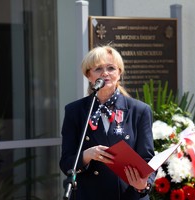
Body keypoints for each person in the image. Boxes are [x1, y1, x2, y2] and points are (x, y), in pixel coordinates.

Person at [59, 45, 156, 200]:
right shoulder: (75, 111)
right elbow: (66, 162)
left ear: (119, 73)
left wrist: (144, 185)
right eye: (98, 69)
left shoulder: (139, 110)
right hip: (89, 195)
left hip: (128, 195)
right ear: (89, 76)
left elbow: (148, 159)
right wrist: (87, 155)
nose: (105, 73)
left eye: (111, 68)